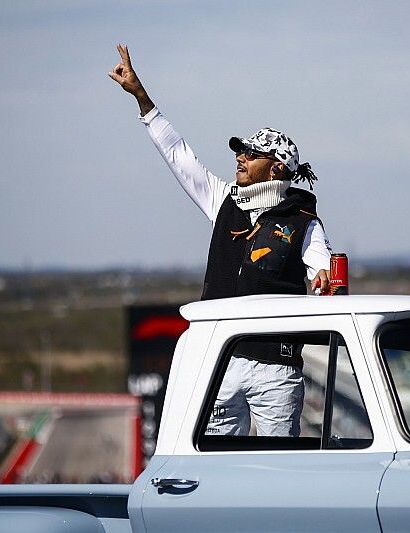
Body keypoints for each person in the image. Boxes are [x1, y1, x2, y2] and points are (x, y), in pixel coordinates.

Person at [109, 44, 331, 437]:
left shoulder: (304, 223)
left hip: (277, 370)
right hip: (219, 362)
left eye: (252, 153)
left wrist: (324, 283)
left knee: (278, 475)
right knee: (214, 470)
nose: (240, 157)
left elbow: (324, 275)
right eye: (241, 151)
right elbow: (179, 156)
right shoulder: (222, 200)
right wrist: (143, 99)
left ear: (277, 167)